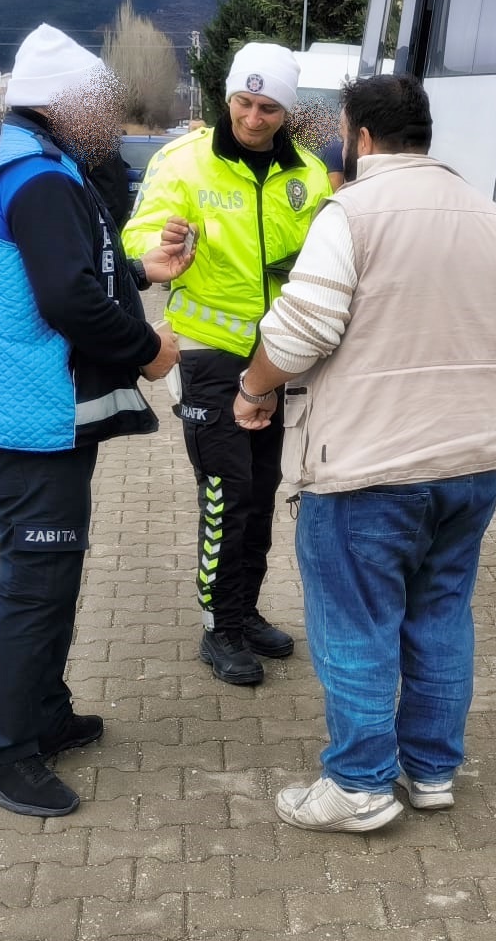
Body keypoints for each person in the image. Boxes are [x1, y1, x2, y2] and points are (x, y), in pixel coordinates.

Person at [231, 74, 496, 833]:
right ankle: (430, 772)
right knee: (439, 615)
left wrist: (254, 388)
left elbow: (300, 331)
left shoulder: (353, 212)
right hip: (472, 463)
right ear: (423, 135)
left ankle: (359, 785)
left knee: (357, 621)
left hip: (368, 464)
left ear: (359, 137)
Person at [0, 23, 187, 818]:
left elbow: (68, 266)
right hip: (22, 420)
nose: (111, 116)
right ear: (63, 104)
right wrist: (146, 349)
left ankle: (41, 714)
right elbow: (68, 298)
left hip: (21, 414)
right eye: (100, 103)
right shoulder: (37, 176)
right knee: (35, 584)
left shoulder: (19, 161)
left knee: (51, 572)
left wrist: (143, 269)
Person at [121, 42, 332, 686]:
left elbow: (325, 246)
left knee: (264, 490)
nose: (253, 117)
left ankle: (245, 611)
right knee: (226, 494)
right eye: (244, 101)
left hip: (279, 357)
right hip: (210, 356)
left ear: (287, 111)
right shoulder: (182, 161)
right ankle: (218, 627)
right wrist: (163, 243)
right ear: (228, 98)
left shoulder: (309, 173)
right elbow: (136, 235)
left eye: (268, 107)